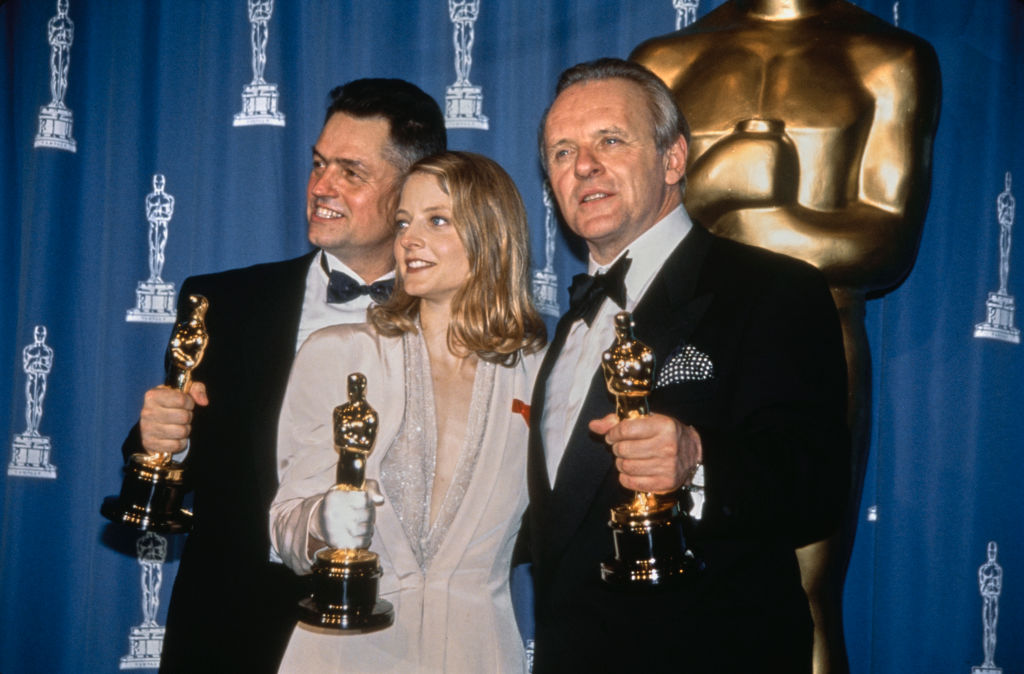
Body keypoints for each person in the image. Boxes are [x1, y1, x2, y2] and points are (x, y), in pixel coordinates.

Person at [630, 5, 941, 668]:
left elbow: (885, 242)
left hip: (813, 347)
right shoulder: (666, 59)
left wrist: (764, 212)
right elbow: (628, 229)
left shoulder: (888, 58)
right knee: (648, 583)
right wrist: (718, 187)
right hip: (672, 343)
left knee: (806, 593)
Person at [519, 57, 849, 672]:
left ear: (674, 159)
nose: (583, 165)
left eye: (609, 140)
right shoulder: (563, 328)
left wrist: (698, 456)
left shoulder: (771, 289)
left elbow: (815, 488)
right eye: (562, 152)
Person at [119, 78, 446, 674]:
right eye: (320, 164)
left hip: (394, 634)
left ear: (410, 190)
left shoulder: (456, 322)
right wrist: (168, 435)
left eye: (351, 171)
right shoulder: (224, 301)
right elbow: (171, 466)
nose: (321, 187)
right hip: (232, 628)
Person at [271, 151, 546, 671]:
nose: (408, 239)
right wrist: (321, 519)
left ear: (495, 235)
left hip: (480, 655)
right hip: (342, 655)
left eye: (436, 220)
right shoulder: (336, 353)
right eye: (403, 221)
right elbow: (286, 529)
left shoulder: (540, 374)